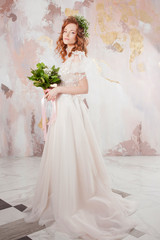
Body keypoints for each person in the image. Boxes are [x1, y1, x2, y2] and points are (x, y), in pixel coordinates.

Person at [24, 16, 137, 240]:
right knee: (63, 154)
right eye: (65, 31)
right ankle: (65, 193)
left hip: (70, 113)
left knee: (72, 153)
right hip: (62, 110)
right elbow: (68, 83)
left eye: (72, 32)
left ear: (79, 36)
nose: (67, 35)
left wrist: (60, 90)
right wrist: (52, 87)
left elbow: (83, 88)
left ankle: (75, 200)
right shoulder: (67, 56)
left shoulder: (77, 56)